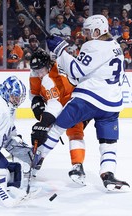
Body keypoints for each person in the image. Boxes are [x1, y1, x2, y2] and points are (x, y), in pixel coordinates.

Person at [32, 14, 130, 191]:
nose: (85, 34)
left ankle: (37, 158)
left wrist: (61, 51)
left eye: (88, 31)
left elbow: (76, 71)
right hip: (112, 103)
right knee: (108, 141)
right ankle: (108, 174)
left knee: (58, 126)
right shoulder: (115, 45)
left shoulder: (92, 45)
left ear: (98, 31)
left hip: (89, 99)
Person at [29, 50, 87, 185]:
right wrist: (36, 101)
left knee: (74, 132)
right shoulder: (36, 74)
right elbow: (34, 93)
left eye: (41, 70)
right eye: (36, 70)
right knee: (49, 132)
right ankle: (37, 160)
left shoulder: (52, 78)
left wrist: (44, 121)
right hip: (56, 102)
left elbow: (55, 104)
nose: (39, 74)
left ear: (49, 65)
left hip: (74, 101)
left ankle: (77, 165)